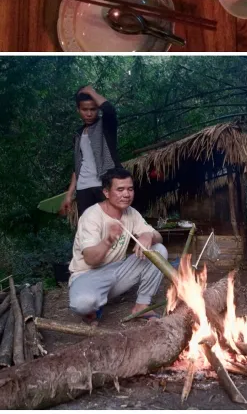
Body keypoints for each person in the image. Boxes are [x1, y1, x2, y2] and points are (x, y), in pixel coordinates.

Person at [67, 167, 166, 323]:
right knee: (83, 304)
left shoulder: (131, 213)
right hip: (88, 275)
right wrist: (108, 240)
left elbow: (159, 238)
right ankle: (93, 304)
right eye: (120, 189)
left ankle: (141, 306)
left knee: (158, 250)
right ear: (106, 193)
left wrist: (149, 235)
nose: (126, 194)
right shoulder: (91, 216)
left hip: (118, 272)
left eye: (130, 189)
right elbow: (90, 260)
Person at [59, 85, 120, 217]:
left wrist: (91, 92)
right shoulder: (78, 134)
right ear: (78, 110)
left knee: (110, 226)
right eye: (84, 109)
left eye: (93, 109)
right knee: (88, 230)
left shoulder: (106, 126)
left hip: (104, 185)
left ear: (97, 109)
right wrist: (69, 195)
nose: (89, 113)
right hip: (83, 188)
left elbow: (109, 110)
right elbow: (77, 167)